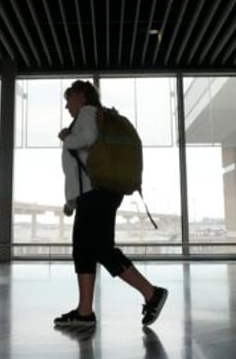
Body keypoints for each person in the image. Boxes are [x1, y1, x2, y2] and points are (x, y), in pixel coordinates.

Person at [54, 80, 168, 327]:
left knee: (100, 248)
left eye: (69, 99)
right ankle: (84, 312)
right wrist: (72, 202)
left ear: (81, 96)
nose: (66, 106)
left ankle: (152, 293)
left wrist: (66, 136)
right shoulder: (96, 115)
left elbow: (87, 139)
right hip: (96, 194)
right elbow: (81, 166)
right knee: (85, 249)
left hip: (97, 194)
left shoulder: (87, 113)